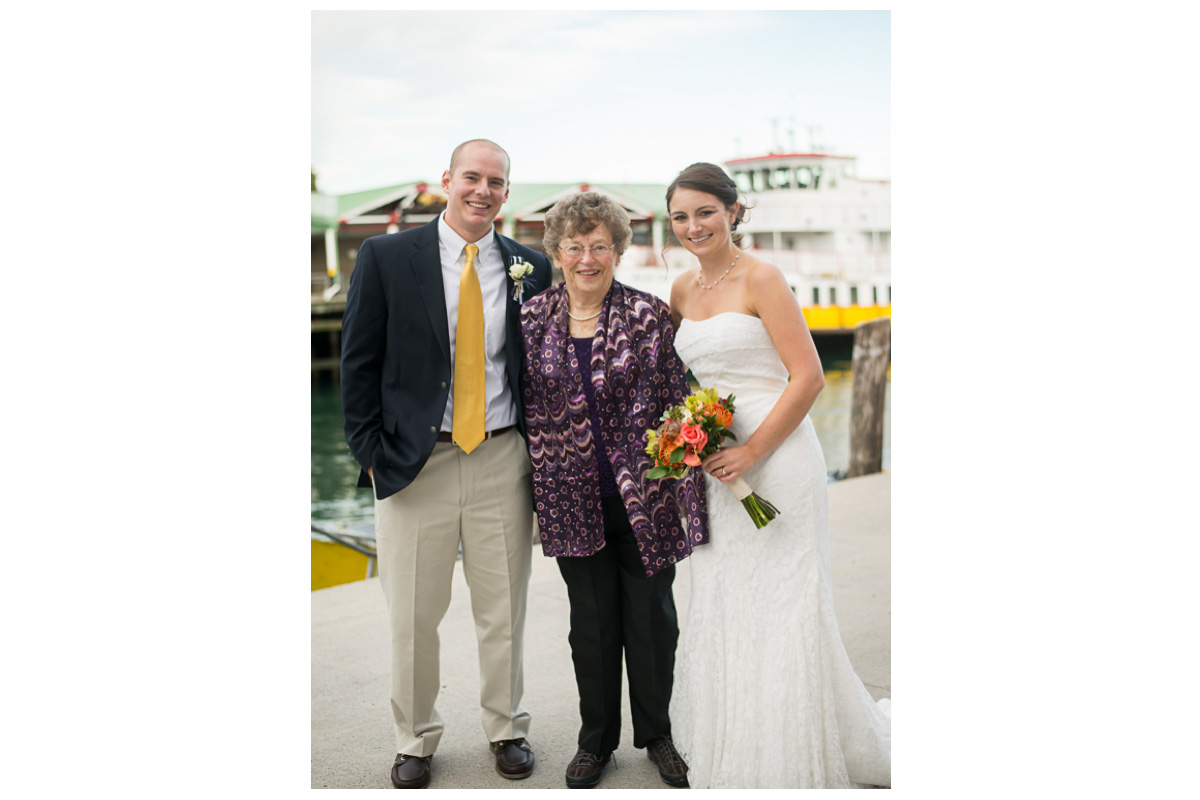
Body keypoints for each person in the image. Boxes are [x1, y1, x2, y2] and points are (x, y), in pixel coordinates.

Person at [664, 163, 891, 789]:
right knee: (725, 598)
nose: (693, 226)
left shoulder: (763, 277)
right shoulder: (681, 290)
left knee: (786, 602)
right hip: (714, 460)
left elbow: (809, 376)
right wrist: (686, 435)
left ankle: (790, 748)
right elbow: (676, 377)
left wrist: (755, 451)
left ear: (733, 211)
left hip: (778, 455)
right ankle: (734, 736)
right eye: (681, 216)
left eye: (705, 212)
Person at [340, 139, 553, 789]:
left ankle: (507, 728)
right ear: (446, 181)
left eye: (496, 181)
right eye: (472, 177)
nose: (482, 190)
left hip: (501, 456)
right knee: (412, 614)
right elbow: (358, 362)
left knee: (503, 608)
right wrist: (370, 453)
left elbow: (540, 372)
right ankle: (415, 739)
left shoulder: (530, 267)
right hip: (413, 464)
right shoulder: (384, 256)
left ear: (506, 192)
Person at [519, 192, 709, 789]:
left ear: (618, 251)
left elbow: (678, 401)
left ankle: (657, 735)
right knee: (591, 623)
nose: (587, 258)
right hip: (569, 497)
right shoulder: (529, 321)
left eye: (600, 246)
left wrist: (685, 477)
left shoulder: (649, 315)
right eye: (574, 246)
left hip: (645, 497)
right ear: (556, 251)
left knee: (652, 620)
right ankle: (594, 742)